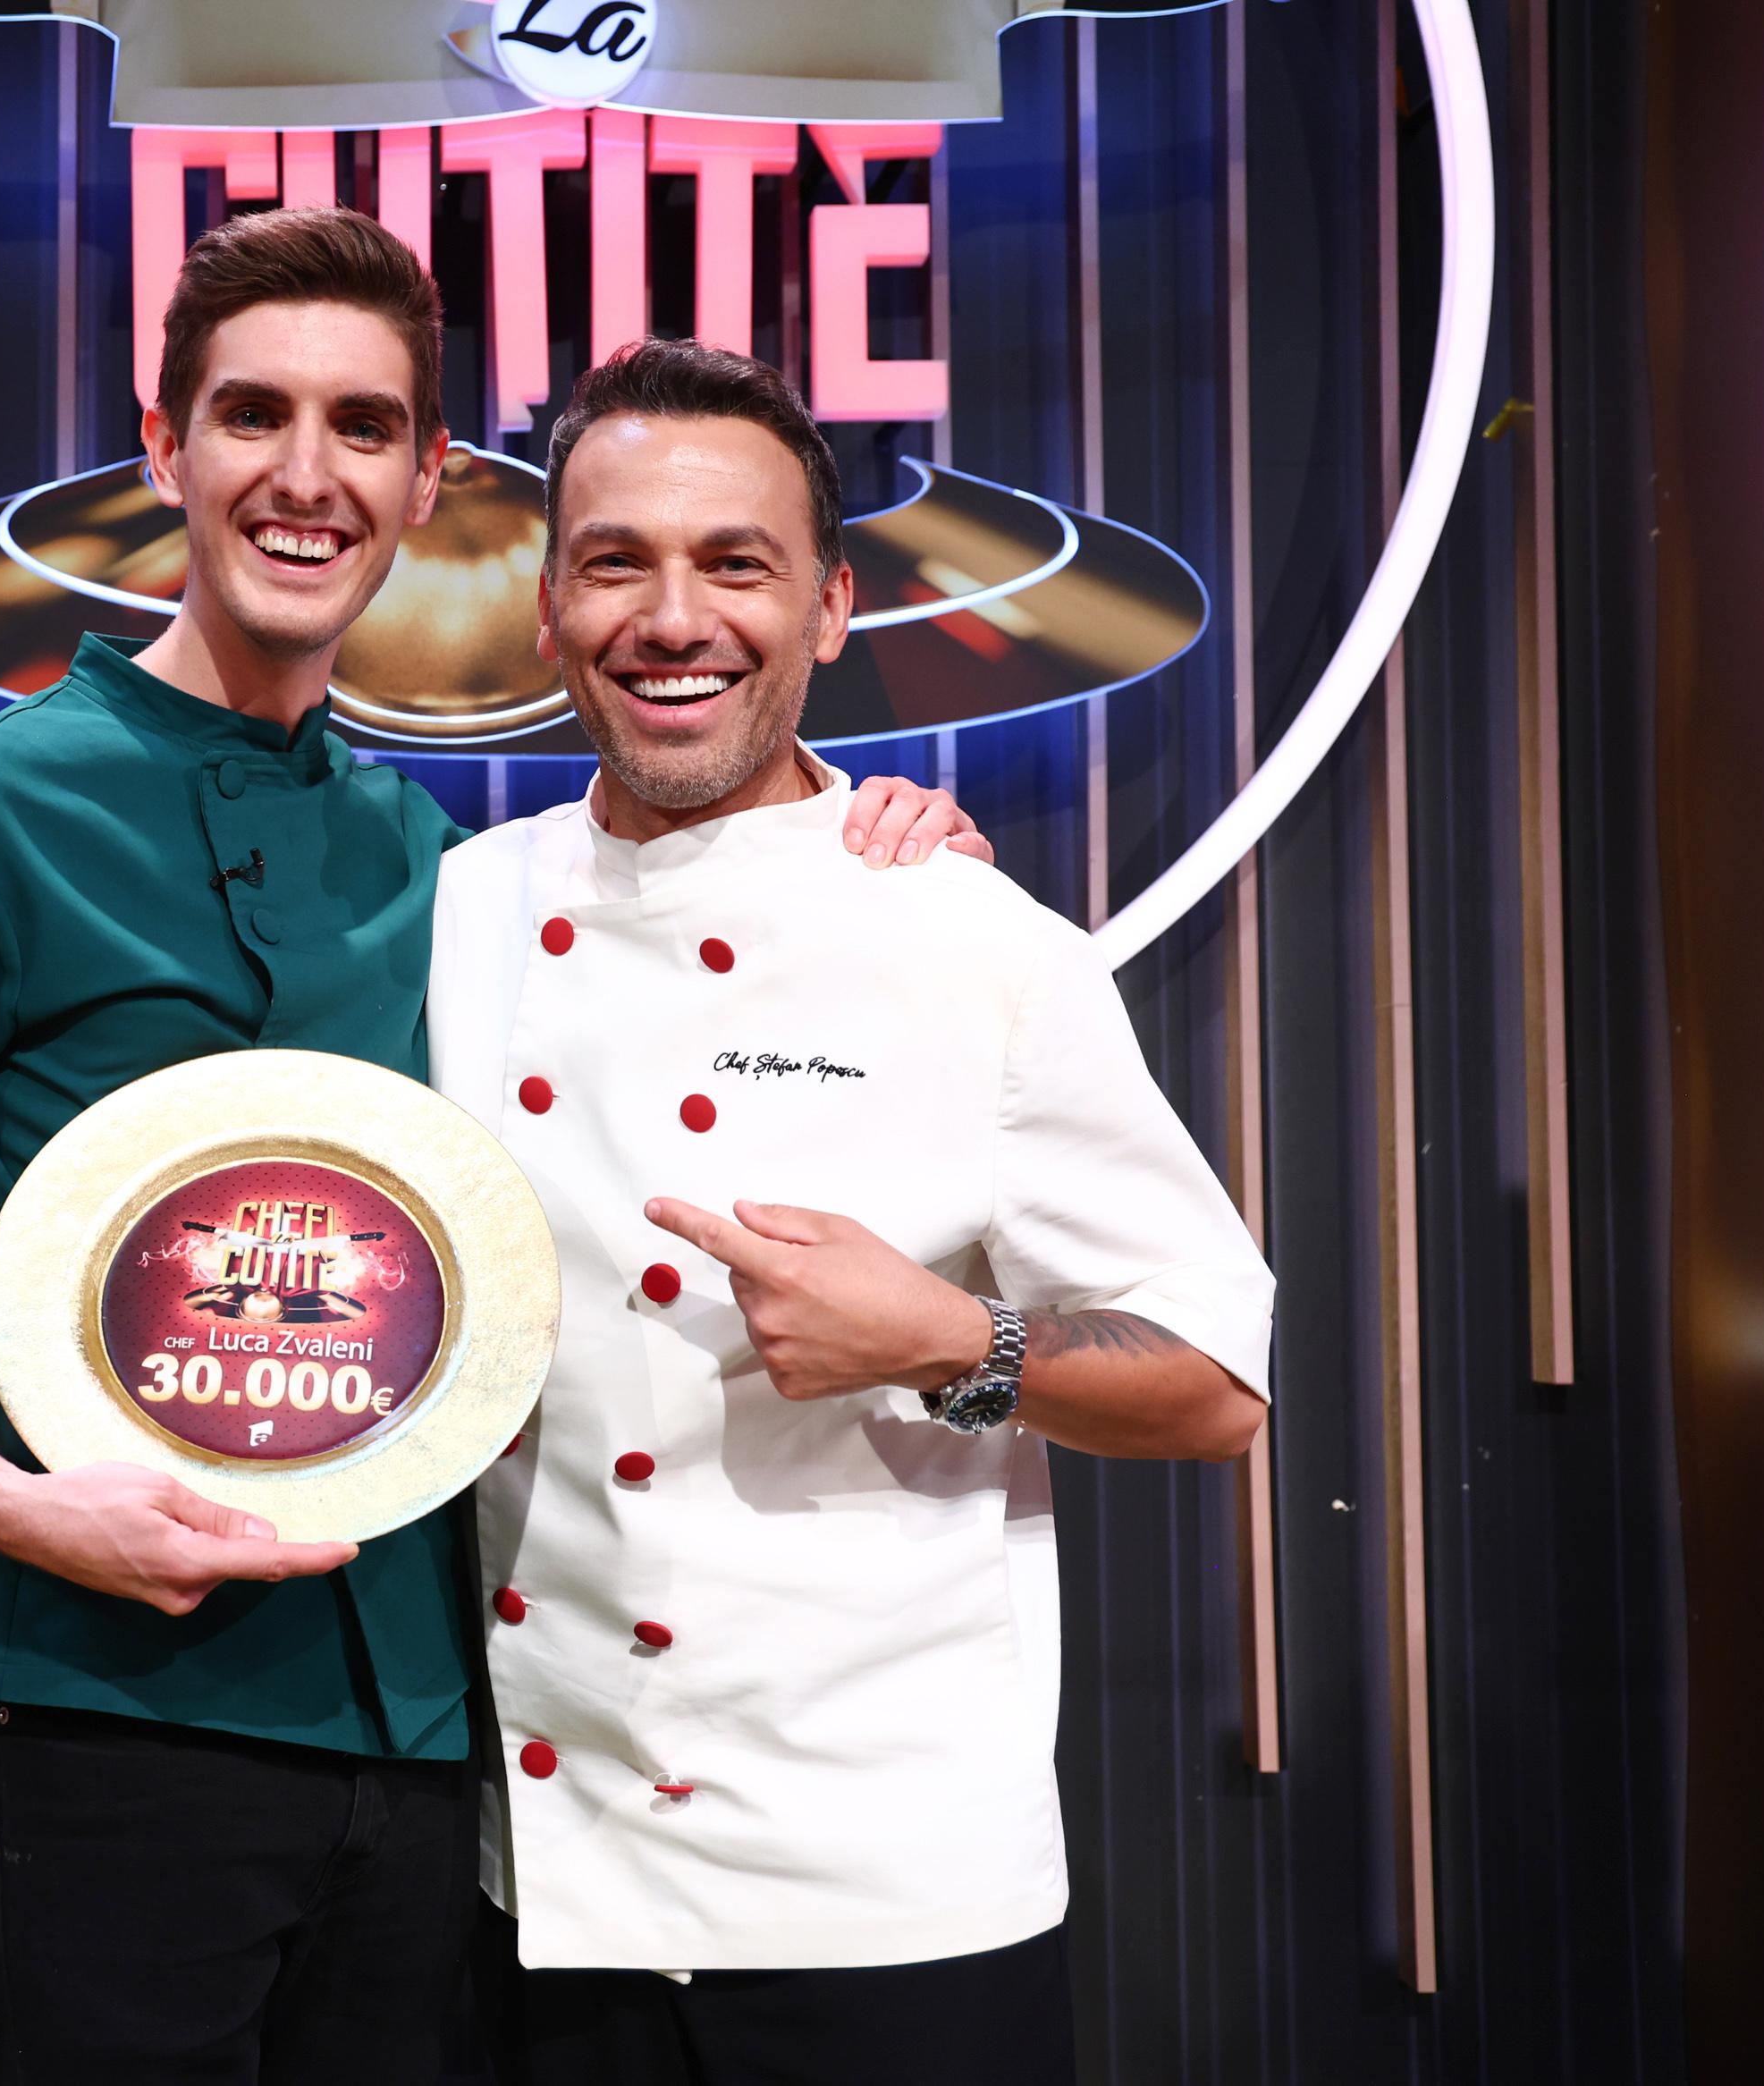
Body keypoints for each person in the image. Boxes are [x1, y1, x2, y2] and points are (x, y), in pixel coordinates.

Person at [0, 207, 983, 2085]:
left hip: (447, 1763)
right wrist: (10, 1501)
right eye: (253, 417)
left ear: (427, 477)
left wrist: (868, 842)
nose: (306, 478)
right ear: (165, 448)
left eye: (362, 426)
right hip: (113, 1733)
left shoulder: (442, 866)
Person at [431, 338, 1276, 2085]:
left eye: (736, 564)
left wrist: (952, 1341)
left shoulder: (973, 944)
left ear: (828, 608)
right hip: (540, 1905)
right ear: (548, 609)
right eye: (615, 563)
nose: (674, 618)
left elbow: (1213, 1386)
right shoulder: (451, 917)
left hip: (896, 1912)